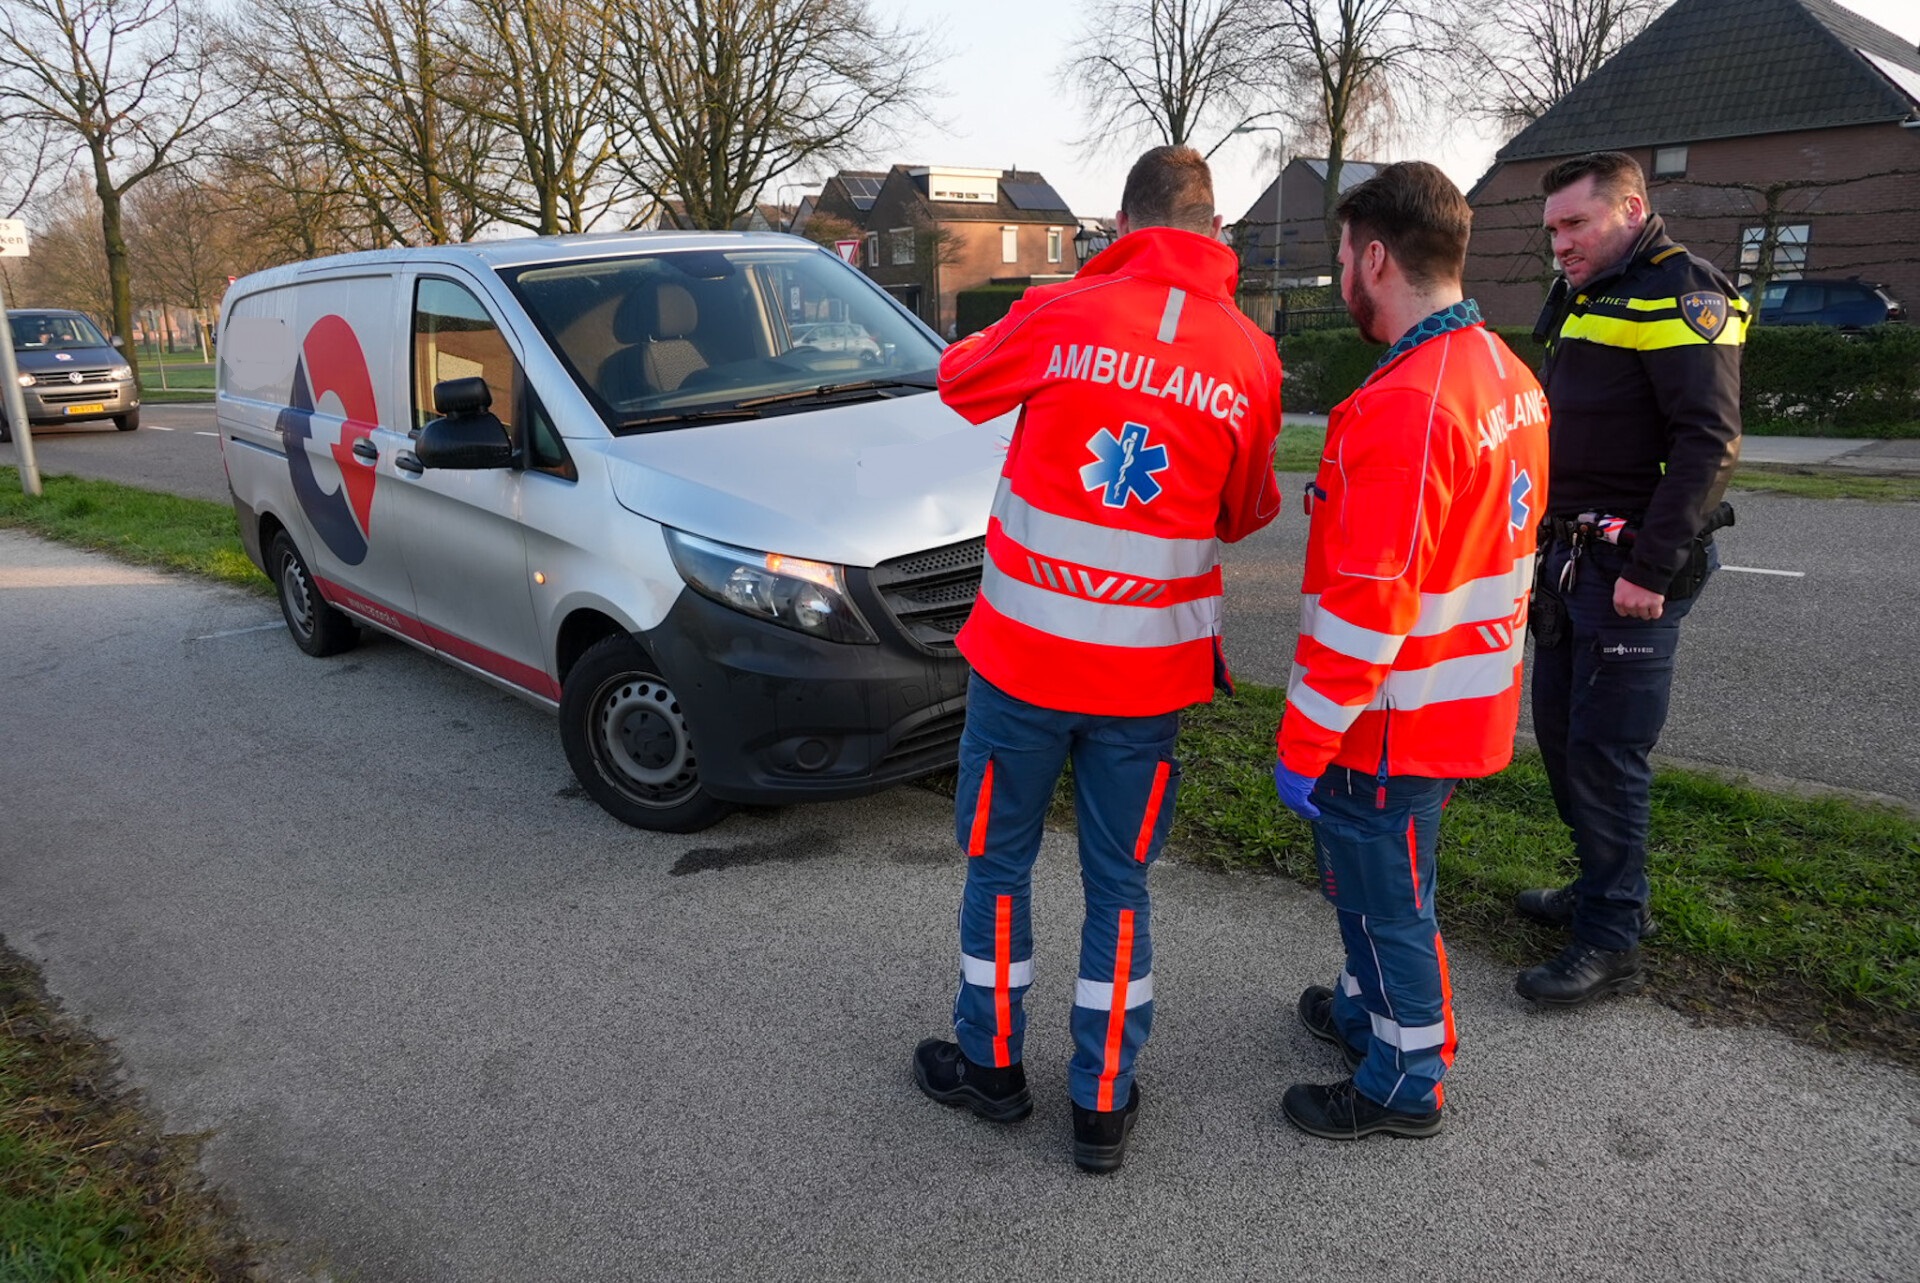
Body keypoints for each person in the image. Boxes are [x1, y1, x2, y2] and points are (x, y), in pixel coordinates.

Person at [912, 145, 1285, 1174]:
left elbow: (958, 380)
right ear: (1215, 231)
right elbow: (1249, 510)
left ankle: (990, 1067)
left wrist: (1082, 299)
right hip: (1145, 679)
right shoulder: (1250, 355)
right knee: (1120, 882)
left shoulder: (1064, 311)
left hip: (1023, 664)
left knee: (999, 864)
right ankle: (1103, 1100)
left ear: (1121, 226)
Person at [1271, 161, 1548, 1141]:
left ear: (1375, 257)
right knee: (1383, 884)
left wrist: (1305, 737)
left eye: (1342, 255)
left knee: (1391, 901)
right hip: (1450, 701)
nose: (1339, 274)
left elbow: (1369, 604)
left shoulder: (1410, 406)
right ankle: (1364, 1011)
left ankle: (1405, 1072)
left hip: (1391, 716)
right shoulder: (1505, 377)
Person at [1514, 152, 1745, 1007]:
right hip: (1575, 557)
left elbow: (1708, 441)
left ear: (1630, 208)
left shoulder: (1684, 292)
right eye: (1552, 231)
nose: (1560, 245)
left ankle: (1613, 938)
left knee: (1608, 753)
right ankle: (1604, 889)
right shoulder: (1593, 290)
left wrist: (1650, 567)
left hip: (1631, 571)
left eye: (1575, 225)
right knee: (1567, 741)